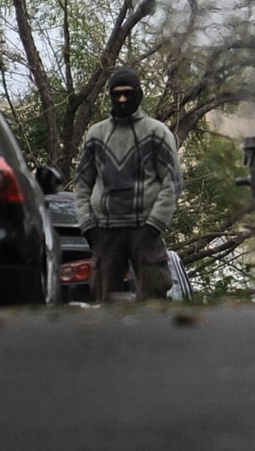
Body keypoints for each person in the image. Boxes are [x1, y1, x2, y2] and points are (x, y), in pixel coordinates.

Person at [73, 68, 182, 302]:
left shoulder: (157, 133)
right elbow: (82, 184)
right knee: (103, 297)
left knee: (154, 297)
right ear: (110, 95)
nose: (122, 99)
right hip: (105, 231)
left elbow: (172, 182)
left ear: (139, 95)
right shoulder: (96, 135)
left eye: (128, 94)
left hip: (145, 229)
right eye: (117, 94)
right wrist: (88, 225)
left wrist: (154, 224)